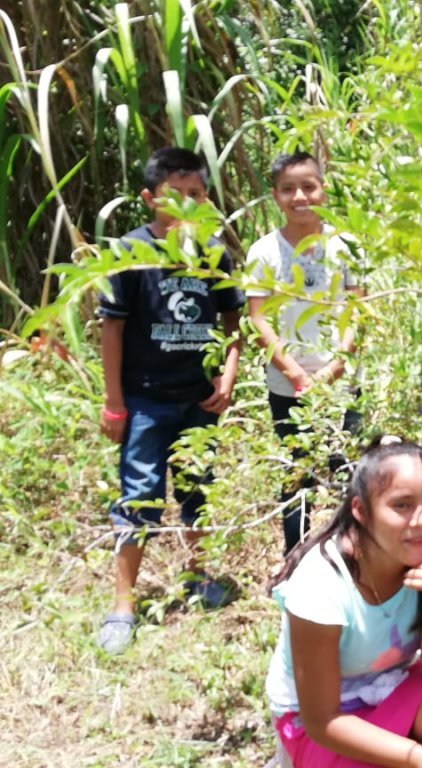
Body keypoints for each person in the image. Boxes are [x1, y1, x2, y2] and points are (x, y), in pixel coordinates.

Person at [96, 147, 244, 655]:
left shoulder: (213, 251)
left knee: (198, 492)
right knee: (138, 498)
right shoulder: (130, 253)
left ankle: (198, 576)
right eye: (174, 194)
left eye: (196, 194)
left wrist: (227, 376)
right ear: (148, 197)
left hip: (199, 402)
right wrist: (115, 404)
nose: (186, 203)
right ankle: (123, 605)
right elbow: (111, 331)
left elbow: (232, 322)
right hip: (145, 402)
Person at [265, 437, 422, 768]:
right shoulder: (321, 583)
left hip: (389, 687)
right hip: (321, 721)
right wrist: (420, 760)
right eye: (402, 506)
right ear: (361, 511)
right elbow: (323, 722)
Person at [246, 150, 363, 555]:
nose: (300, 197)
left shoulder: (346, 246)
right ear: (275, 196)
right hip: (286, 383)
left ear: (323, 190)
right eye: (288, 189)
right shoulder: (263, 252)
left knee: (349, 468)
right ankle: (294, 555)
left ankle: (355, 550)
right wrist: (297, 374)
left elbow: (356, 311)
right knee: (297, 469)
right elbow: (259, 319)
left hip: (342, 382)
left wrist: (333, 369)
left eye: (308, 187)